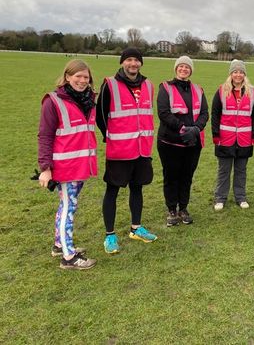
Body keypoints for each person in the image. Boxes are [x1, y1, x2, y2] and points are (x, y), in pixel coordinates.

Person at [96, 47, 157, 254]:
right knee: (112, 191)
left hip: (142, 150)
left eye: (137, 60)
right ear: (123, 62)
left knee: (137, 188)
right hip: (119, 150)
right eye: (129, 60)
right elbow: (100, 116)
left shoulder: (148, 85)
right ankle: (110, 235)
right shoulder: (110, 84)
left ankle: (136, 228)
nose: (133, 64)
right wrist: (111, 137)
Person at [38, 59, 97, 270]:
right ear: (67, 77)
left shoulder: (88, 100)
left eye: (85, 77)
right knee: (68, 209)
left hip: (81, 164)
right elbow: (44, 135)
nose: (82, 80)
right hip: (64, 166)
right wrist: (45, 168)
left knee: (67, 205)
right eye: (77, 76)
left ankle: (58, 244)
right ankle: (69, 256)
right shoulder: (53, 101)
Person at [157, 56, 208, 226]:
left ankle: (183, 208)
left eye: (187, 67)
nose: (184, 69)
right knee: (171, 176)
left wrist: (196, 129)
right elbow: (163, 113)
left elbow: (204, 113)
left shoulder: (198, 89)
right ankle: (172, 209)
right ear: (176, 68)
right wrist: (182, 128)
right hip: (170, 143)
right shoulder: (165, 87)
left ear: (191, 70)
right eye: (181, 66)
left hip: (192, 143)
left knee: (187, 176)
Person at [211, 59, 254, 210]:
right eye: (235, 72)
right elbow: (215, 114)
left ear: (245, 74)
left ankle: (240, 197)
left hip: (244, 139)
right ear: (231, 74)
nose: (238, 75)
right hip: (225, 138)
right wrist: (215, 134)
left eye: (241, 72)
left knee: (241, 170)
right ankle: (220, 198)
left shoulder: (252, 92)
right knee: (224, 170)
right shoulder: (221, 91)